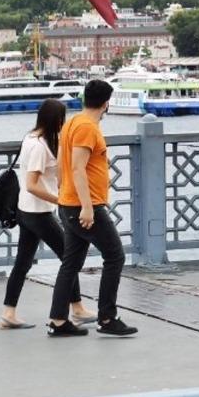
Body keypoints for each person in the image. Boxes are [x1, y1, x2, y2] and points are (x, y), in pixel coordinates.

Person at [47, 80, 137, 337]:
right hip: (85, 206)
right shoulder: (87, 127)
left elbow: (63, 164)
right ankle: (107, 317)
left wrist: (64, 193)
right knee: (115, 256)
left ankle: (58, 320)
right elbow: (77, 166)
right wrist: (86, 206)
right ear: (107, 102)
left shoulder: (73, 122)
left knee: (71, 263)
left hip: (69, 202)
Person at [0, 99, 96, 330]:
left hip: (28, 210)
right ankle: (77, 308)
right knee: (69, 258)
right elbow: (32, 184)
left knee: (23, 263)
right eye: (63, 119)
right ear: (56, 120)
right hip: (37, 213)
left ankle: (9, 312)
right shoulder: (38, 146)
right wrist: (60, 200)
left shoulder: (32, 138)